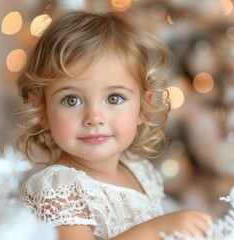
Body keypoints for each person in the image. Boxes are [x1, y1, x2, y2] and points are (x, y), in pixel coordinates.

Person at [16, 10, 212, 240]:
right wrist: (155, 230)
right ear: (42, 109)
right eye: (72, 100)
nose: (94, 117)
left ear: (143, 106)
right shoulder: (59, 189)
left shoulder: (138, 170)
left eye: (114, 98)